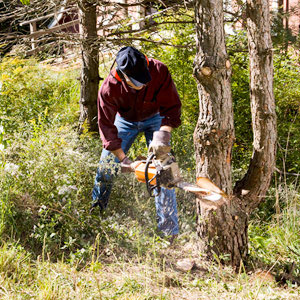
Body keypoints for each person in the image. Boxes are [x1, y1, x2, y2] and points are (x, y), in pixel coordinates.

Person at [92, 46, 181, 237]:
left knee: (164, 172)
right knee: (106, 168)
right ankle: (95, 218)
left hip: (156, 119)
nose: (141, 85)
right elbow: (106, 127)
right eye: (136, 82)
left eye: (144, 81)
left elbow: (172, 106)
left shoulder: (159, 70)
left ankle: (169, 232)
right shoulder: (108, 88)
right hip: (124, 121)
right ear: (122, 75)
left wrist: (163, 134)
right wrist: (123, 159)